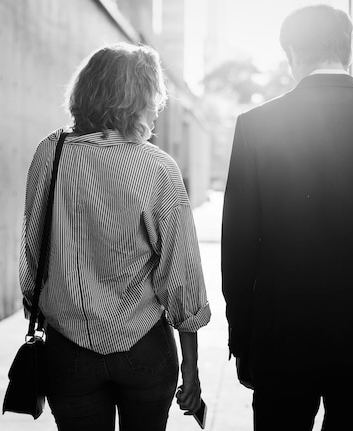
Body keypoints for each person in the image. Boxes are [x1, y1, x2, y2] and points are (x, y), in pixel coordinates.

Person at [221, 5, 353, 430]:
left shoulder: (256, 125)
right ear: (349, 51)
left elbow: (238, 247)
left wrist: (242, 340)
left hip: (280, 335)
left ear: (291, 53)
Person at [20, 42, 210, 431]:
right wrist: (190, 368)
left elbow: (32, 252)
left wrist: (38, 306)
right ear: (139, 99)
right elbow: (182, 277)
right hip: (144, 348)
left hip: (67, 350)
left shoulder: (49, 153)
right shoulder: (158, 167)